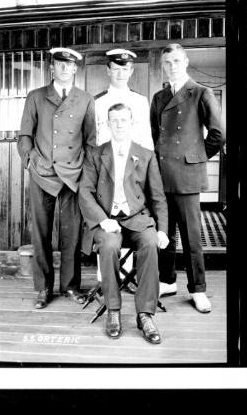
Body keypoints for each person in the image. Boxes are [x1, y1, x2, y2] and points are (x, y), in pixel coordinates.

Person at [78, 103, 169, 344]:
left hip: (138, 219)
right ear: (108, 124)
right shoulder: (95, 154)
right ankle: (114, 310)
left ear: (132, 123)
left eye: (124, 120)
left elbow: (158, 196)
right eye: (114, 120)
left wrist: (162, 230)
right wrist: (103, 220)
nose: (119, 124)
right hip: (108, 221)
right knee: (108, 247)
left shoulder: (146, 155)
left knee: (150, 244)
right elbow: (85, 193)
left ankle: (145, 314)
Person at [17, 47, 96, 309]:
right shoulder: (36, 96)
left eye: (69, 65)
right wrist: (29, 160)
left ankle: (71, 287)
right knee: (40, 233)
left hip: (73, 174)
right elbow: (25, 134)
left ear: (75, 69)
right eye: (59, 64)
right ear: (53, 67)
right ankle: (43, 289)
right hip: (42, 173)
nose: (64, 68)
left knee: (71, 234)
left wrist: (87, 172)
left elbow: (91, 140)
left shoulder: (85, 99)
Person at [150, 43, 225, 313]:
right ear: (163, 65)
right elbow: (155, 136)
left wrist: (196, 157)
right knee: (164, 233)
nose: (172, 66)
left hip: (187, 176)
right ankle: (167, 280)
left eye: (177, 61)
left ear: (186, 61)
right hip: (162, 175)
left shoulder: (201, 93)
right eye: (167, 62)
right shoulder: (159, 97)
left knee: (192, 238)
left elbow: (219, 134)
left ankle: (198, 290)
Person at [94, 48, 153, 149]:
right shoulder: (97, 102)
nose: (120, 74)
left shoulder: (141, 101)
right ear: (108, 71)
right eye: (116, 69)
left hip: (134, 160)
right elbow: (93, 138)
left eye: (125, 69)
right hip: (105, 160)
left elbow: (146, 138)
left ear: (131, 72)